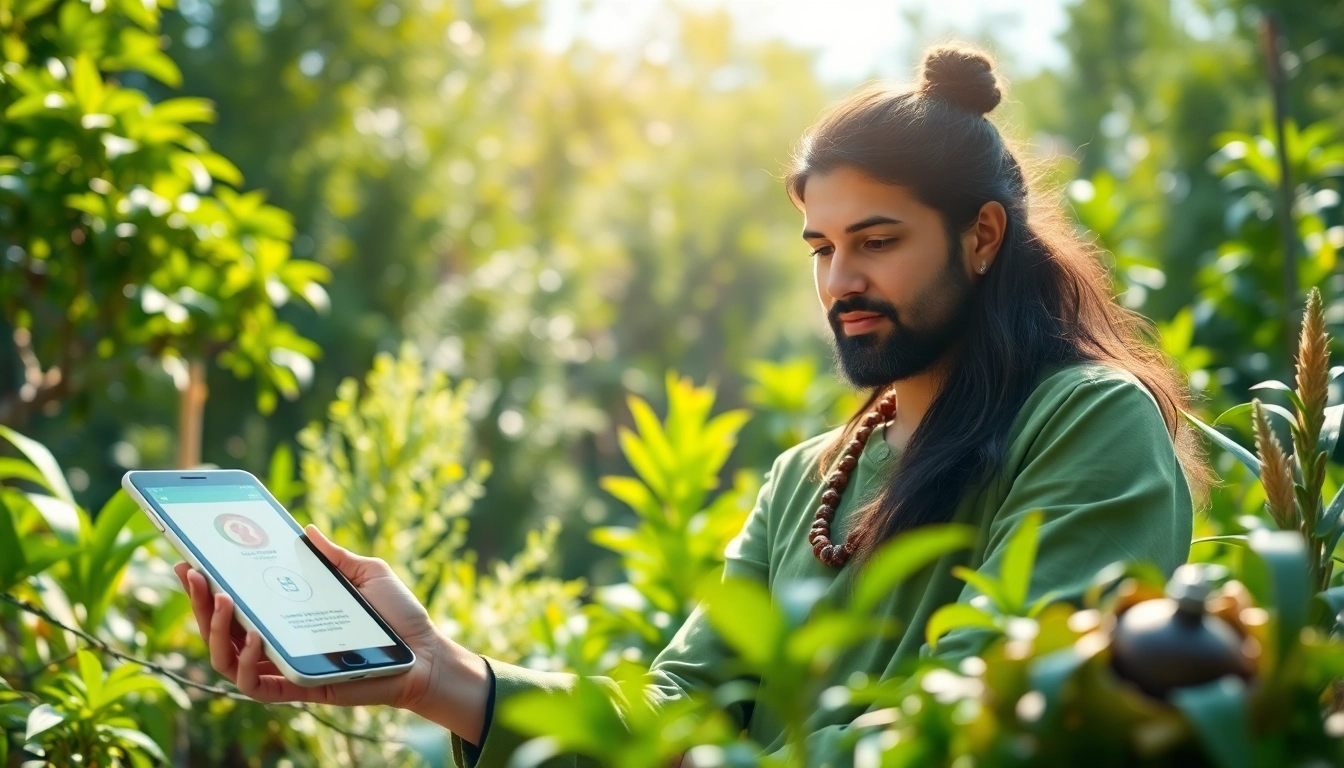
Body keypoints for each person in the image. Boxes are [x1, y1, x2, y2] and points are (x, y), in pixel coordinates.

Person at [174, 43, 1212, 768]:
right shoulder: (811, 476)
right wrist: (438, 672)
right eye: (821, 246)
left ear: (982, 237)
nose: (839, 279)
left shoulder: (1086, 422)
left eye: (878, 240)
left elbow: (991, 731)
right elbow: (677, 716)